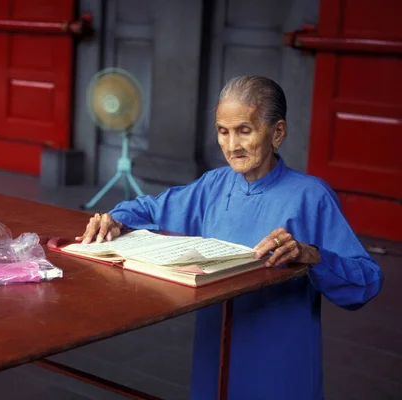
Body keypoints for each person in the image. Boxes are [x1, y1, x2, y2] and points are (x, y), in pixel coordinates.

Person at [75, 76, 384, 400]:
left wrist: (312, 255)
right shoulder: (214, 186)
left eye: (244, 130)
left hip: (279, 357)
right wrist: (114, 219)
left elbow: (367, 281)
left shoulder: (311, 196)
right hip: (216, 347)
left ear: (277, 132)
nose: (232, 145)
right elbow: (151, 209)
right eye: (223, 131)